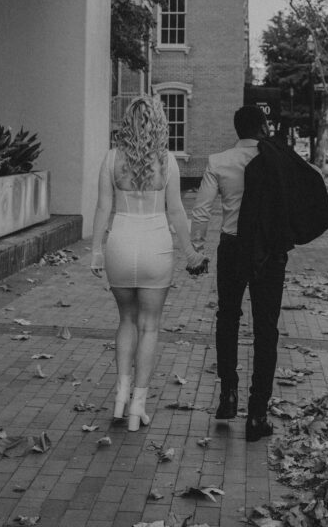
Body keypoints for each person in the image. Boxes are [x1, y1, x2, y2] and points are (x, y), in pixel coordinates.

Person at [90, 95, 206, 431]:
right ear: (159, 121)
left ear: (127, 122)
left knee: (126, 320)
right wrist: (190, 253)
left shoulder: (111, 159)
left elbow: (102, 208)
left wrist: (96, 250)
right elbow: (175, 211)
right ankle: (137, 409)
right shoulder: (167, 162)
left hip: (120, 245)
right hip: (156, 245)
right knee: (150, 326)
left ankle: (119, 400)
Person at [190, 105, 287, 442]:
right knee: (266, 329)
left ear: (236, 129)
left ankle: (228, 395)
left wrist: (197, 250)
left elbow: (201, 211)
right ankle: (257, 413)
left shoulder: (218, 162)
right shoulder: (277, 159)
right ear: (262, 126)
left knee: (228, 317)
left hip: (231, 247)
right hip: (268, 253)